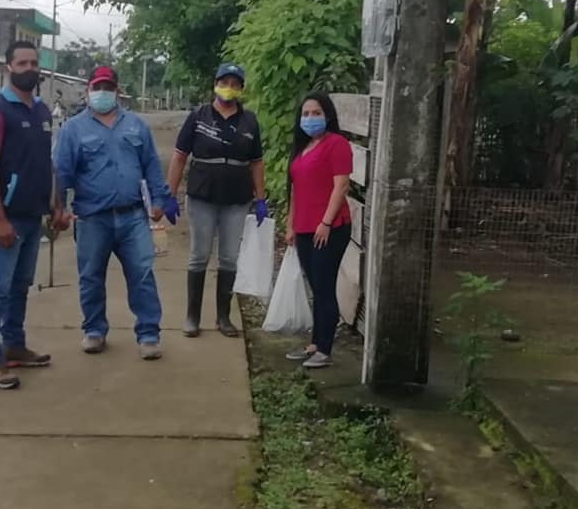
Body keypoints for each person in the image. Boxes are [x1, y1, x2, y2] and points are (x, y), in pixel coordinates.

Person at [53, 66, 170, 360]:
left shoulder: (136, 126)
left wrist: (158, 200)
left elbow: (151, 165)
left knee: (142, 274)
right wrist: (57, 209)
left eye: (108, 87)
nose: (102, 92)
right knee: (91, 276)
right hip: (92, 217)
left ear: (117, 91)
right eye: (97, 87)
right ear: (88, 90)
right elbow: (61, 173)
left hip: (133, 217)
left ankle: (148, 334)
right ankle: (94, 330)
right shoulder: (73, 129)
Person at [0, 40, 60, 389]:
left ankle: (14, 345)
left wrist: (55, 204)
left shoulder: (42, 112)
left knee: (20, 287)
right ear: (8, 67)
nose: (29, 69)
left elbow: (46, 163)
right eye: (22, 63)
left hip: (33, 215)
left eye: (33, 63)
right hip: (7, 219)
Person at [165, 63, 267, 337]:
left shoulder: (249, 121)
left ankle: (223, 317)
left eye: (235, 84)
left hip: (237, 199)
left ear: (241, 89)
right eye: (224, 82)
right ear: (215, 84)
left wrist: (260, 199)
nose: (228, 88)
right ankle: (192, 317)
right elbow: (179, 156)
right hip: (202, 196)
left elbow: (257, 162)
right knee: (199, 255)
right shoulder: (198, 117)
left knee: (229, 258)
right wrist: (170, 194)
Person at [284, 92, 353, 369]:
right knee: (315, 286)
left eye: (316, 113)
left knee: (324, 286)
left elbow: (341, 185)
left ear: (327, 115)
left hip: (330, 227)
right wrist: (290, 225)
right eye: (305, 114)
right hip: (303, 227)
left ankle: (325, 349)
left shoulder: (336, 144)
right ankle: (315, 343)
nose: (310, 118)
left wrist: (325, 223)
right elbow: (295, 191)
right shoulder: (302, 148)